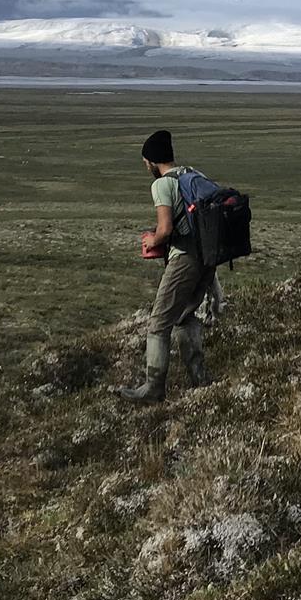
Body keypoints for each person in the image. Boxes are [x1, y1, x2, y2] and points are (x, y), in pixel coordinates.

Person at [121, 129, 212, 402]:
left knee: (159, 323)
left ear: (151, 160)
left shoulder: (161, 184)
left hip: (184, 259)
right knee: (184, 316)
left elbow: (165, 229)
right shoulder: (193, 174)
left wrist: (152, 241)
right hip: (207, 258)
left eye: (145, 161)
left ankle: (153, 389)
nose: (145, 166)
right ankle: (200, 379)